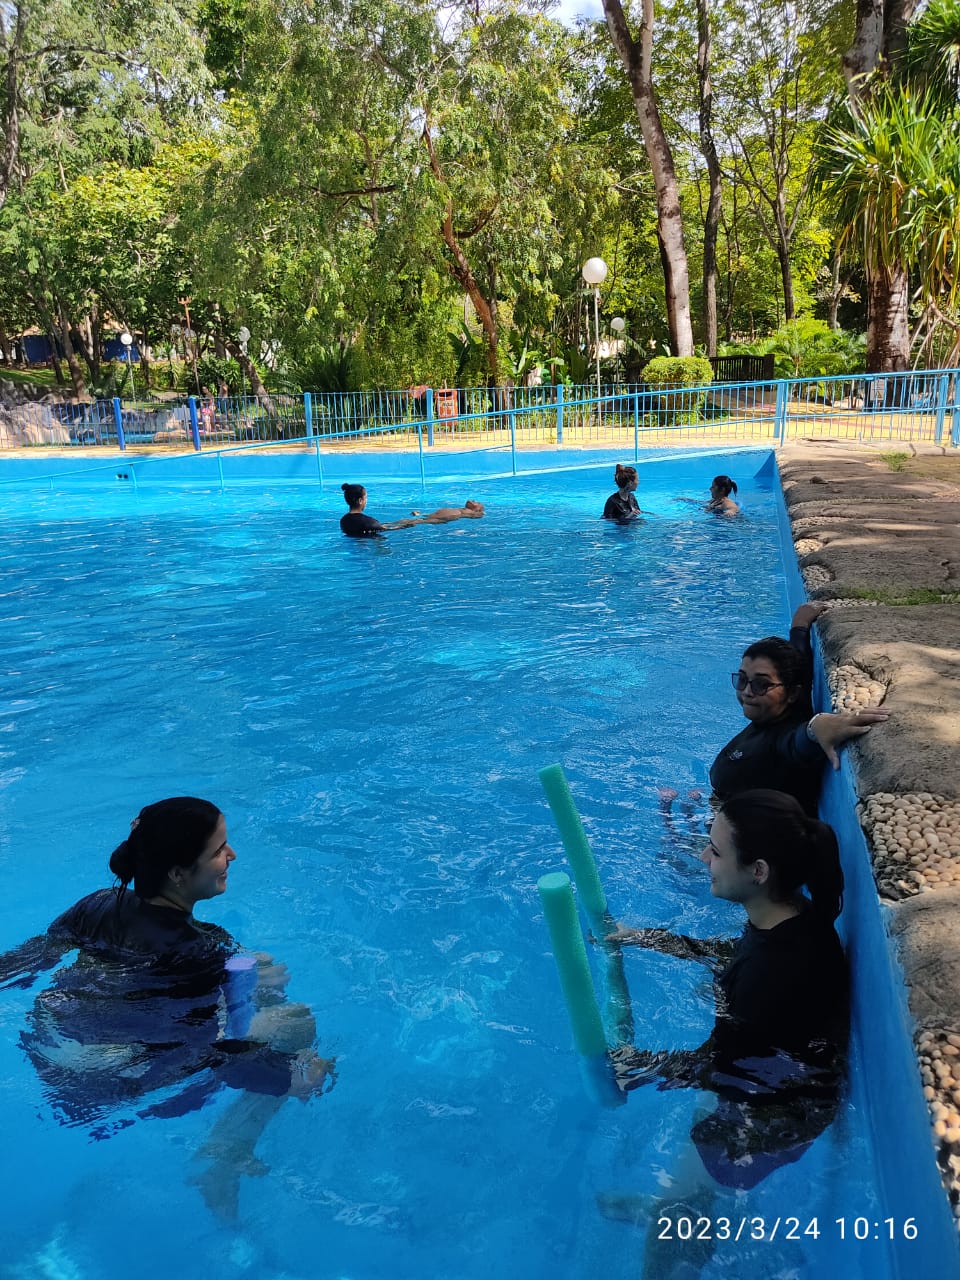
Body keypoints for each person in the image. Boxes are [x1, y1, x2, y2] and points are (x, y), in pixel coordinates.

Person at [0, 797, 333, 1217]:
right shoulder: (199, 949)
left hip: (48, 1053)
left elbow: (23, 962)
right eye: (218, 850)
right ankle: (226, 1153)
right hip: (105, 1087)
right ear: (177, 874)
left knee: (257, 965)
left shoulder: (97, 904)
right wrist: (287, 1076)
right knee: (298, 1024)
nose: (232, 855)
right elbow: (203, 1052)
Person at [601, 791, 848, 1269]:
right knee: (689, 1170)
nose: (702, 857)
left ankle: (670, 1219)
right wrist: (647, 939)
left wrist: (639, 1068)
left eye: (715, 850)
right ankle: (677, 1203)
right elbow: (734, 952)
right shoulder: (795, 917)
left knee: (675, 1214)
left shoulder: (768, 975)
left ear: (759, 871)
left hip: (773, 1116)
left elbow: (720, 1068)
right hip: (786, 1084)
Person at [709, 606, 889, 814]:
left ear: (792, 693)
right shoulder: (788, 704)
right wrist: (799, 628)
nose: (747, 691)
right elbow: (801, 664)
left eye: (761, 684)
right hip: (720, 810)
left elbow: (798, 742)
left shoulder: (783, 741)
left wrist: (816, 727)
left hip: (743, 829)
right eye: (741, 679)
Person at [339, 483, 421, 537]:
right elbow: (386, 530)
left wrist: (398, 522)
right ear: (360, 500)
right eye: (365, 498)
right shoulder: (369, 522)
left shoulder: (343, 520)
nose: (366, 501)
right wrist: (408, 525)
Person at [409, 499, 485, 523]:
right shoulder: (461, 509)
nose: (473, 500)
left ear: (477, 509)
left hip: (446, 517)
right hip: (437, 515)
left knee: (416, 521)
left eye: (477, 502)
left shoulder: (472, 512)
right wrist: (422, 514)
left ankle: (408, 523)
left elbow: (479, 515)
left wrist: (481, 513)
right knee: (417, 520)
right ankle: (419, 516)